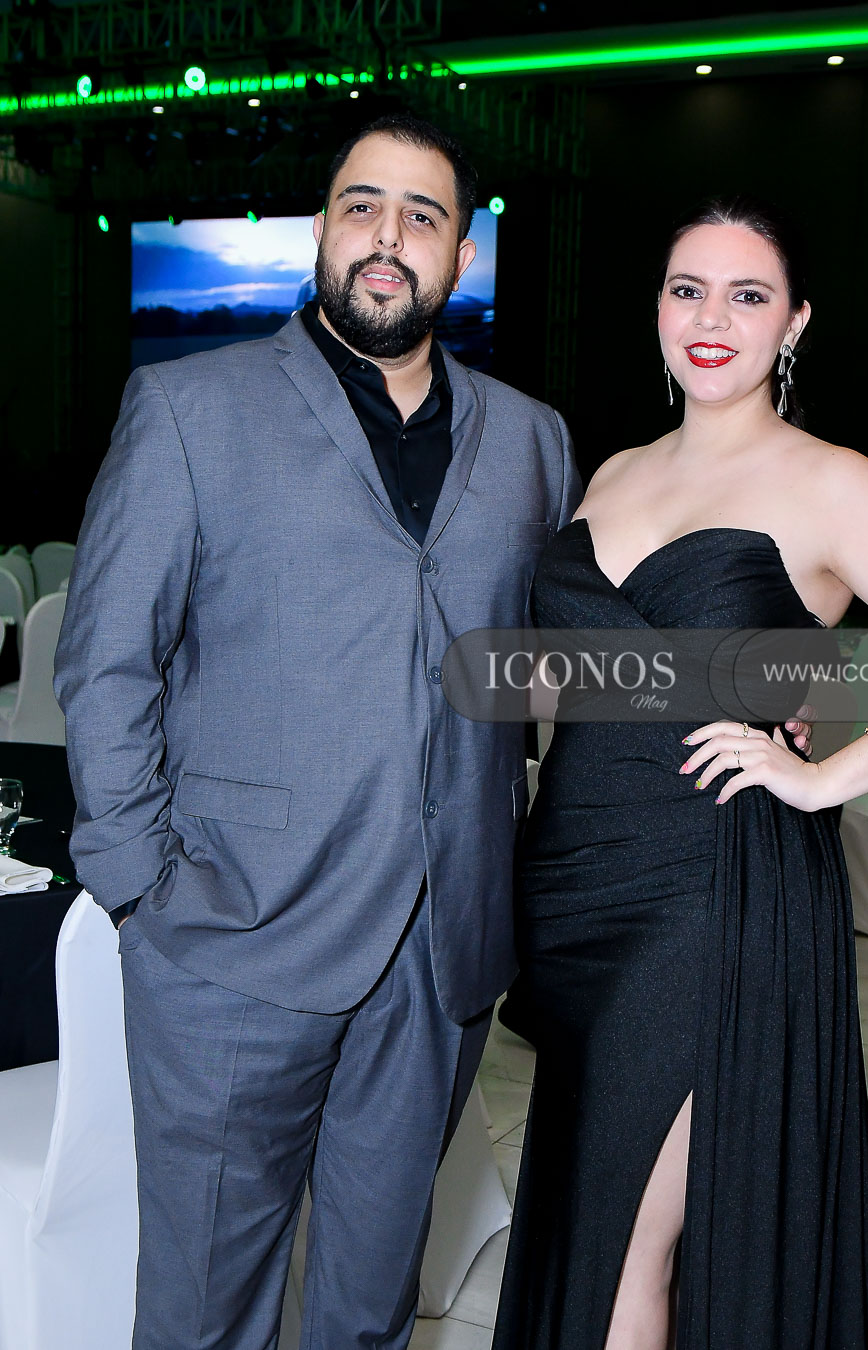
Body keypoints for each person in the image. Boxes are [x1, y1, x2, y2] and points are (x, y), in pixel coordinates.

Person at [53, 113, 586, 1350]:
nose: (388, 238)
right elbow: (107, 659)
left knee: (369, 1311)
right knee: (203, 1316)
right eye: (362, 206)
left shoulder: (533, 440)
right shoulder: (189, 408)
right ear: (321, 230)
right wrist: (141, 887)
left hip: (439, 957)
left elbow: (547, 661)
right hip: (228, 944)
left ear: (461, 254)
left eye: (422, 215)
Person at [492, 197, 868, 1349]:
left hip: (713, 893)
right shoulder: (613, 473)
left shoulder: (830, 483)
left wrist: (834, 776)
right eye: (688, 290)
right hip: (578, 885)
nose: (712, 319)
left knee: (626, 1243)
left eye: (748, 296)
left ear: (793, 324)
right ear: (656, 308)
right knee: (588, 1225)